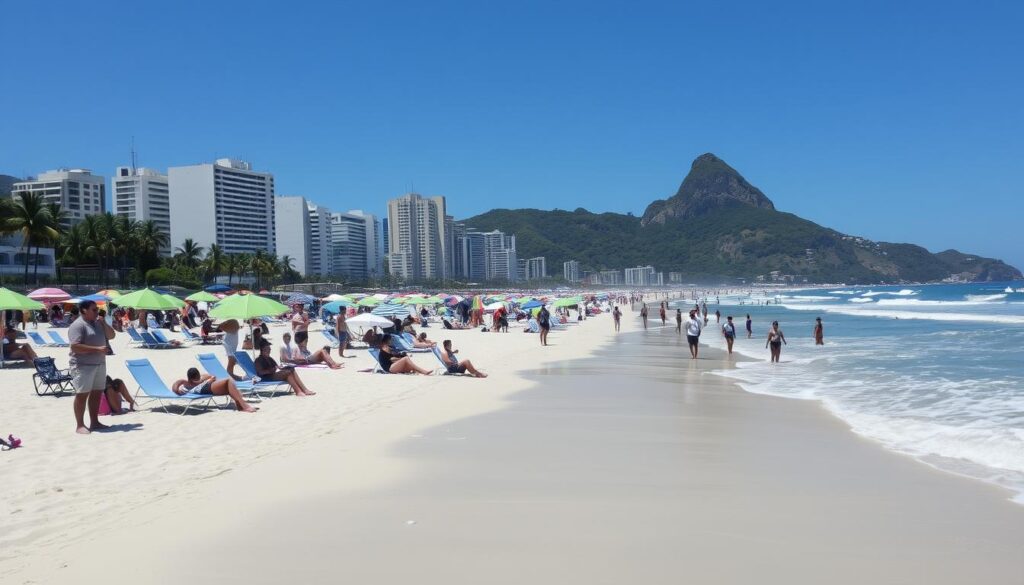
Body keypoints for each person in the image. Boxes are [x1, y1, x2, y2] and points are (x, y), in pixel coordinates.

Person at [68, 300, 116, 434]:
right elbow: (75, 346)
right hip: (82, 365)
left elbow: (112, 335)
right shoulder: (78, 325)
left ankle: (94, 422)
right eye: (94, 310)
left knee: (97, 393)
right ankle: (80, 425)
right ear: (84, 310)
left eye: (97, 310)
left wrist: (104, 322)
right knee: (82, 395)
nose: (97, 312)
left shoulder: (98, 323)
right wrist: (97, 349)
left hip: (99, 363)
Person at [171, 367, 257, 412]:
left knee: (229, 387)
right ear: (190, 378)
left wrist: (205, 380)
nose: (196, 381)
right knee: (228, 381)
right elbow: (175, 386)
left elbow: (211, 376)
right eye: (194, 380)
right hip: (201, 389)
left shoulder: (201, 379)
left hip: (206, 387)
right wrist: (178, 391)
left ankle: (239, 405)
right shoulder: (185, 382)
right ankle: (244, 406)